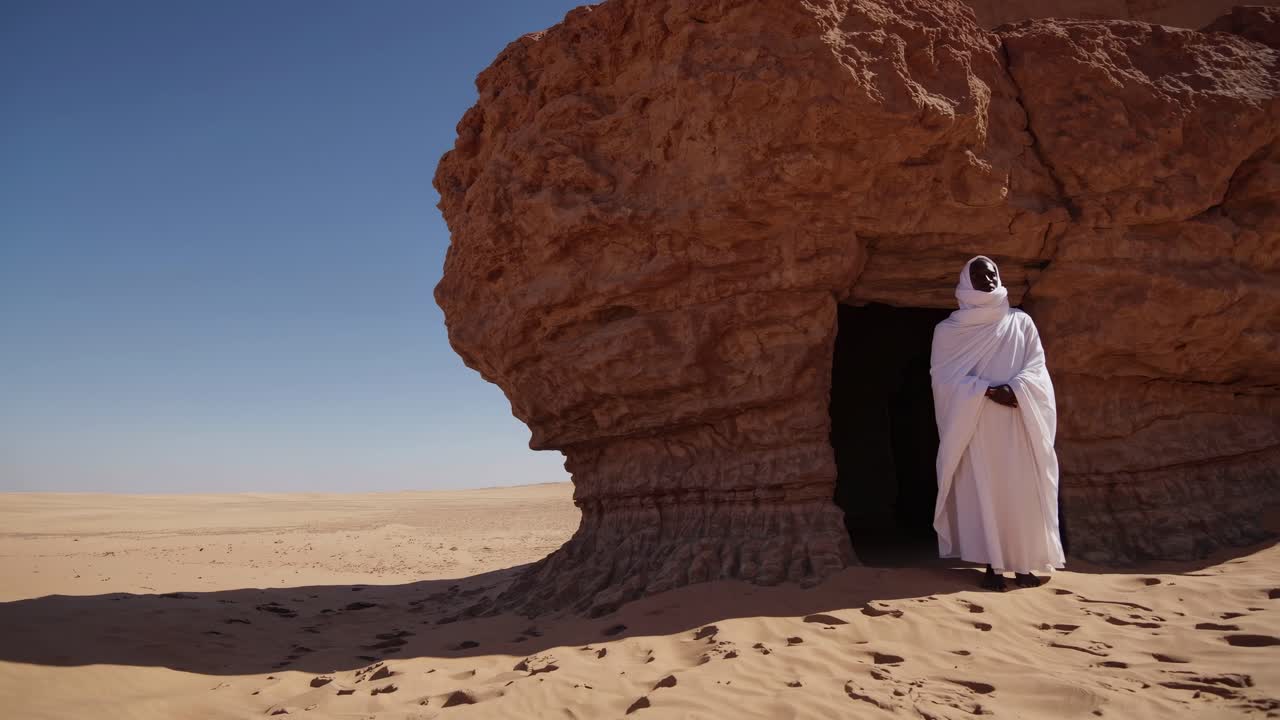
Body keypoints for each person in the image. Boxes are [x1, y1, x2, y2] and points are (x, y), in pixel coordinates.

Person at [930, 256, 1065, 591]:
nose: (988, 279)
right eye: (979, 275)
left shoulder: (1020, 322)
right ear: (966, 282)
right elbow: (943, 379)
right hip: (976, 426)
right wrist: (987, 391)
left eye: (992, 274)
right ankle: (992, 566)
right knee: (985, 492)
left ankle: (1023, 565)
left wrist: (1015, 389)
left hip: (1019, 421)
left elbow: (1037, 367)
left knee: (1020, 492)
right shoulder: (949, 331)